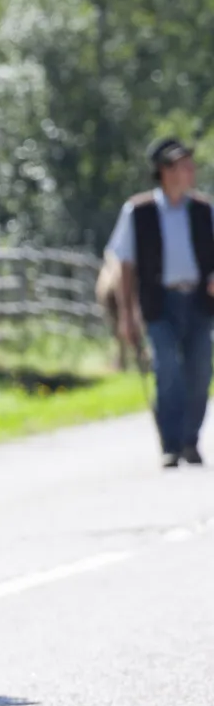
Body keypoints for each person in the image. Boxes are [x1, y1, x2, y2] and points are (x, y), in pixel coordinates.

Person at [106, 137, 214, 468]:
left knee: (199, 373)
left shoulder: (204, 209)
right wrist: (126, 315)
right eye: (183, 166)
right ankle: (170, 444)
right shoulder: (138, 211)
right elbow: (125, 263)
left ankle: (189, 440)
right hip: (159, 303)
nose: (190, 171)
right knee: (167, 371)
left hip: (197, 300)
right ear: (164, 171)